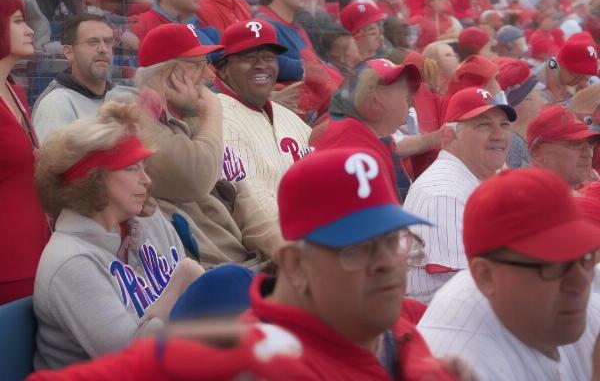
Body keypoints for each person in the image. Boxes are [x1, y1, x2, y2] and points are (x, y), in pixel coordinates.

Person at [26, 148, 470, 380]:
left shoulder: (396, 321)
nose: (387, 266)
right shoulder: (241, 356)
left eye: (392, 241)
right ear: (295, 264)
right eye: (356, 248)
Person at [33, 100, 204, 370]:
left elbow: (198, 309)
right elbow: (133, 360)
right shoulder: (70, 261)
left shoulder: (151, 221)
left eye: (143, 167)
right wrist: (179, 280)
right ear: (93, 179)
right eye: (131, 168)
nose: (146, 180)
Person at [418, 167, 600, 381]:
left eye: (585, 257)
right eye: (553, 266)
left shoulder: (565, 302)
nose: (580, 281)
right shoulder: (460, 363)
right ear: (486, 276)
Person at [135, 23, 281, 269]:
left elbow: (239, 196)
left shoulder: (187, 118)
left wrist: (285, 253)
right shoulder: (134, 118)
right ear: (172, 76)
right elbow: (196, 178)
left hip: (247, 266)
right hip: (212, 278)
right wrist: (213, 111)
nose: (210, 75)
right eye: (200, 65)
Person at [404, 86, 516, 304]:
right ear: (449, 136)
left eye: (504, 125)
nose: (499, 135)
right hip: (439, 325)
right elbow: (467, 290)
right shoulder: (444, 193)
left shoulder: (468, 179)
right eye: (483, 125)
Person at [214, 19, 311, 217]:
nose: (261, 65)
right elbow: (254, 209)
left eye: (268, 57)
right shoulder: (217, 118)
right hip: (271, 242)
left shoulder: (288, 117)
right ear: (223, 70)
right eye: (248, 57)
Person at [312, 58, 434, 200]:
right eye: (406, 98)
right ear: (376, 100)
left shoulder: (368, 137)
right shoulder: (348, 146)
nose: (411, 104)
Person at [0, 0, 49, 304]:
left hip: (39, 255)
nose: (30, 30)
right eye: (18, 21)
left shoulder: (14, 91)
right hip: (8, 267)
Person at [256, 0, 343, 118]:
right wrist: (305, 70)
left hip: (324, 109)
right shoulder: (262, 26)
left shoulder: (295, 26)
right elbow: (259, 63)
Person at [32, 14, 115, 143]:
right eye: (93, 42)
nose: (103, 49)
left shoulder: (118, 97)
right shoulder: (56, 105)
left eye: (108, 42)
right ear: (69, 52)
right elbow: (52, 162)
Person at [528, 103, 600, 191]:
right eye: (576, 144)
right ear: (537, 152)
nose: (589, 154)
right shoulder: (526, 200)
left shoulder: (591, 191)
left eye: (591, 143)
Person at [497, 58, 547, 169]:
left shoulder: (512, 139)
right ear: (527, 100)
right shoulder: (512, 144)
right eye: (538, 93)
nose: (543, 101)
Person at [539, 36, 598, 102]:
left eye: (585, 77)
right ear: (561, 64)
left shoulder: (562, 79)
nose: (580, 81)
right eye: (577, 75)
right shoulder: (540, 84)